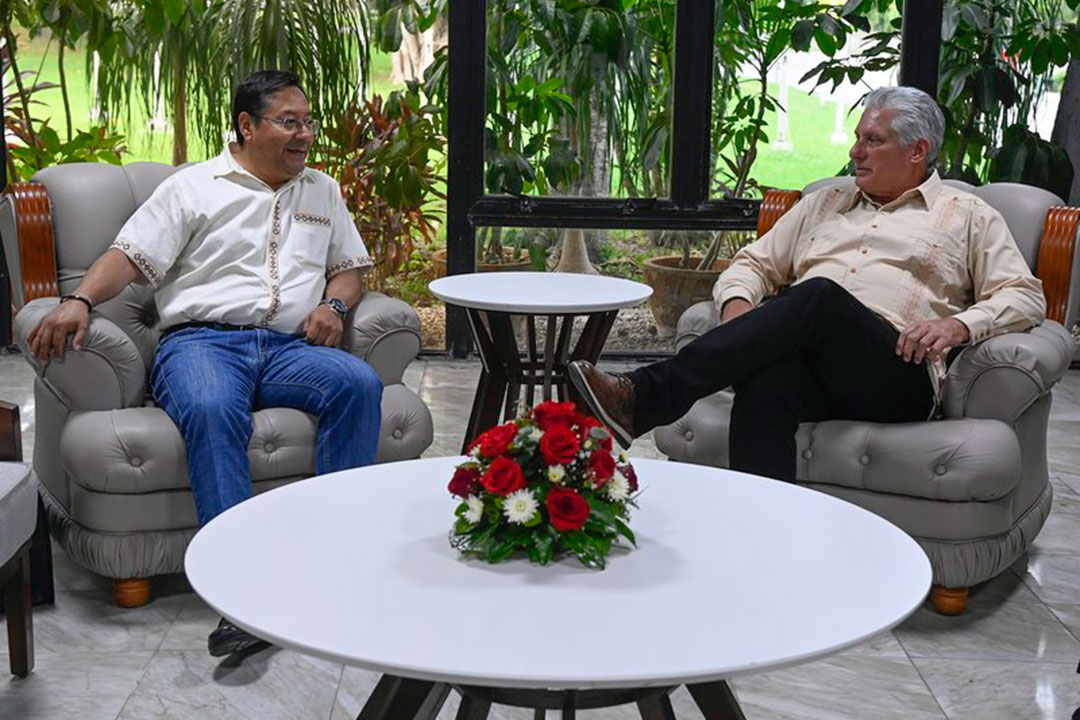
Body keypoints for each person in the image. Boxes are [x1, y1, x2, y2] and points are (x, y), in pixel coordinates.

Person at [26, 70, 383, 658]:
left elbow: (350, 265)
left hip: (290, 348)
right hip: (201, 344)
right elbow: (129, 256)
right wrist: (79, 300)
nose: (305, 136)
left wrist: (334, 303)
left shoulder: (322, 190)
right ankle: (241, 596)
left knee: (358, 383)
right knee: (214, 406)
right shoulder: (194, 187)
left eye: (308, 122)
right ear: (247, 125)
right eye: (289, 122)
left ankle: (332, 561)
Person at [569, 85, 1045, 483]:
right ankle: (767, 541)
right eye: (857, 137)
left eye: (872, 140)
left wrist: (960, 326)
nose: (854, 151)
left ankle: (641, 398)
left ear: (917, 150)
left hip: (896, 371)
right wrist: (738, 316)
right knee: (767, 379)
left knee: (818, 296)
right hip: (812, 366)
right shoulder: (825, 202)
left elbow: (1025, 295)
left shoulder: (968, 216)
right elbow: (752, 264)